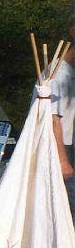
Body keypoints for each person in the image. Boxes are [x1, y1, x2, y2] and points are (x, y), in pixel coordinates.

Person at [51, 16, 75, 221]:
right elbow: (52, 119)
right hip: (61, 147)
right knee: (67, 206)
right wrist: (62, 161)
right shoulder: (57, 74)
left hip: (69, 144)